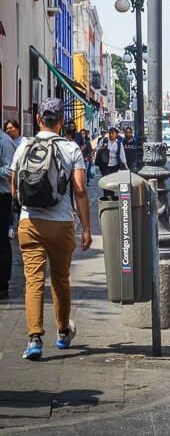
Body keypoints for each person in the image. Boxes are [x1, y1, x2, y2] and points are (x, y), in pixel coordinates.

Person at [11, 98, 92, 359]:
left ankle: (34, 339)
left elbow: (14, 187)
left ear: (37, 120)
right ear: (61, 122)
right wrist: (87, 228)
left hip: (29, 222)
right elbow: (80, 191)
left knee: (33, 281)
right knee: (60, 279)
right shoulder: (71, 149)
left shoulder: (23, 146)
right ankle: (62, 331)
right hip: (61, 224)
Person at [0, 128, 16, 299]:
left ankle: (2, 284)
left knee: (2, 242)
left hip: (2, 197)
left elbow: (11, 170)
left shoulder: (4, 142)